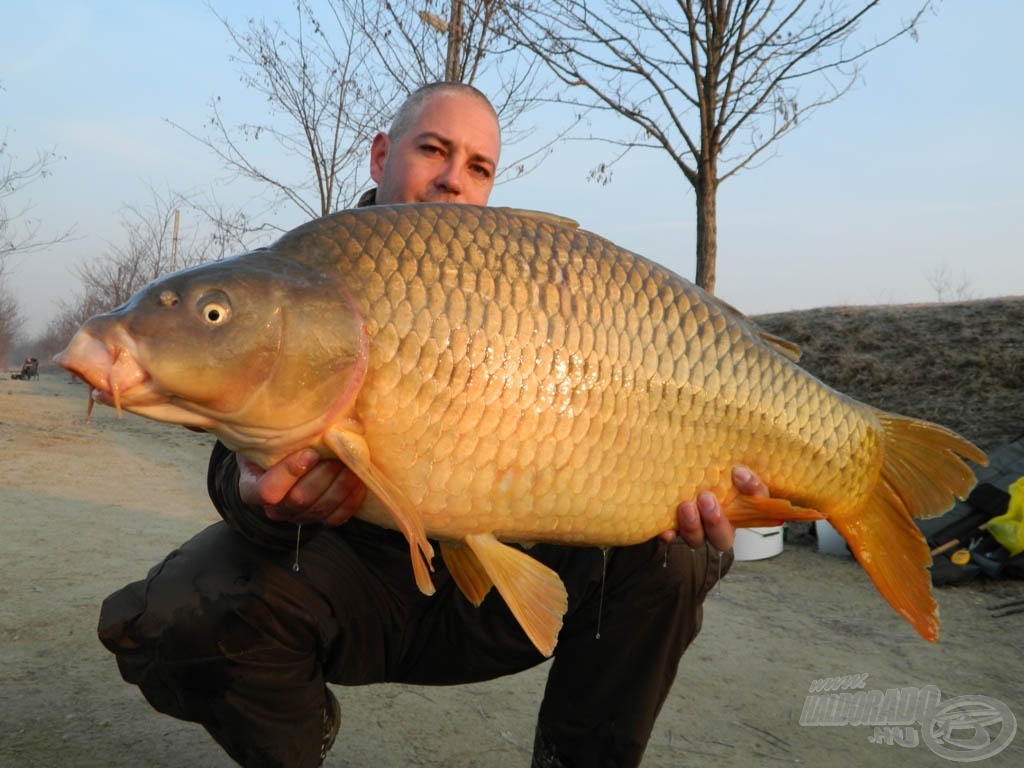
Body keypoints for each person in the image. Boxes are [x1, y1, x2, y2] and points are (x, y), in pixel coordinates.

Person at [98, 82, 768, 768]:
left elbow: (632, 408)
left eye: (478, 167)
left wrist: (704, 505)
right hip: (356, 590)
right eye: (434, 150)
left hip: (493, 600)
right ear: (382, 154)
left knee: (678, 553)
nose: (454, 179)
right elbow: (235, 441)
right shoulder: (313, 271)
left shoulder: (532, 285)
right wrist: (250, 491)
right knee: (175, 611)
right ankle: (295, 732)